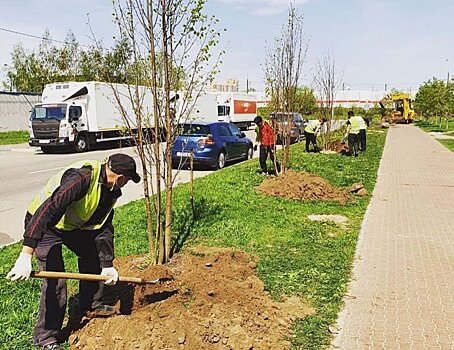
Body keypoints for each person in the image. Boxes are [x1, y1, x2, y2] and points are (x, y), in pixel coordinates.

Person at [6, 153, 140, 350]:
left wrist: (107, 264)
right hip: (44, 225)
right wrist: (26, 253)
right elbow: (49, 210)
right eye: (127, 180)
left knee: (92, 257)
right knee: (55, 279)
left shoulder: (110, 191)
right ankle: (46, 337)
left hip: (69, 227)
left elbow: (102, 227)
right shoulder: (82, 178)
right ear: (120, 177)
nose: (126, 184)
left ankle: (89, 304)